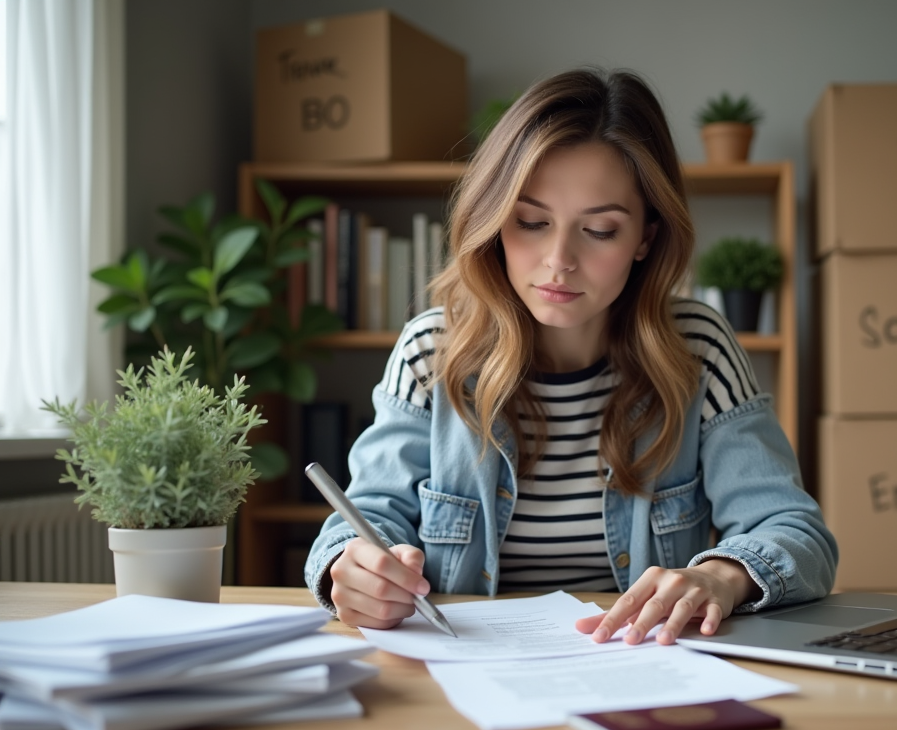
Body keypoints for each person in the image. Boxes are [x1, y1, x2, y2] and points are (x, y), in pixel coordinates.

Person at [304, 67, 837, 647]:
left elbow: (793, 530)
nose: (558, 260)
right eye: (531, 222)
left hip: (637, 666)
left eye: (601, 230)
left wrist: (722, 576)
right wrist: (352, 569)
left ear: (646, 238)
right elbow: (367, 518)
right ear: (493, 221)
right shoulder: (430, 352)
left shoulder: (699, 349)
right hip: (466, 668)